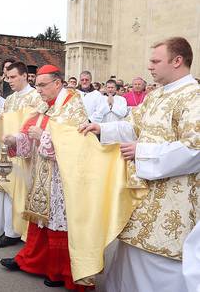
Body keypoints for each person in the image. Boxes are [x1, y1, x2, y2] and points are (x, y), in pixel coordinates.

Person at [79, 36, 199, 292]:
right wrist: (102, 128)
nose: (150, 67)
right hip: (142, 195)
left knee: (160, 260)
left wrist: (142, 152)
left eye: (156, 61)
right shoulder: (156, 96)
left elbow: (195, 148)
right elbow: (134, 126)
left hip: (172, 200)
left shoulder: (193, 97)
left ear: (177, 61)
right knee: (130, 255)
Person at [0, 65, 90, 291]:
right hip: (42, 169)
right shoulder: (42, 104)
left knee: (59, 220)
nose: (37, 89)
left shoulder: (73, 105)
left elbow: (78, 142)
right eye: (36, 84)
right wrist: (16, 140)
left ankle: (59, 271)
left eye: (42, 85)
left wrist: (44, 137)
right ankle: (33, 260)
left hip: (62, 174)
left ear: (57, 83)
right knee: (41, 219)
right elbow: (31, 132)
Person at [0, 62, 42, 248]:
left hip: (24, 153)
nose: (8, 80)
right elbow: (4, 119)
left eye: (12, 77)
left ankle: (16, 231)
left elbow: (36, 124)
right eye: (7, 77)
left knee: (18, 191)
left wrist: (17, 139)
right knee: (5, 189)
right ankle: (6, 228)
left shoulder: (36, 97)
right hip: (8, 150)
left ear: (24, 76)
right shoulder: (10, 99)